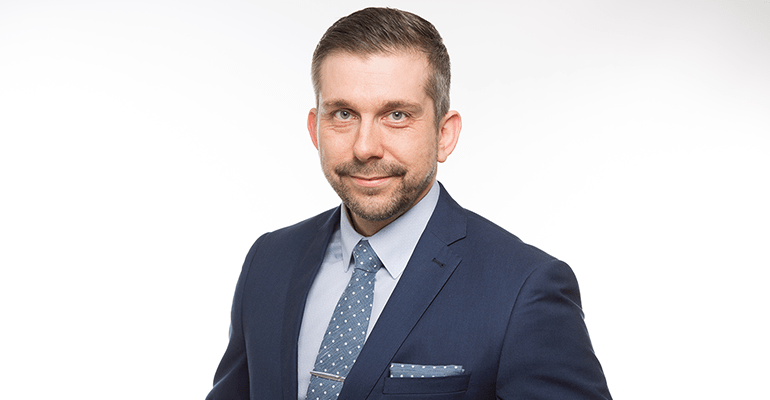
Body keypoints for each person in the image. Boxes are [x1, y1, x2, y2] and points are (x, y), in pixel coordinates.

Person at [207, 7, 611, 400]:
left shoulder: (524, 290)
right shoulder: (269, 261)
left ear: (445, 134)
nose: (365, 147)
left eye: (396, 115)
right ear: (315, 128)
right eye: (344, 114)